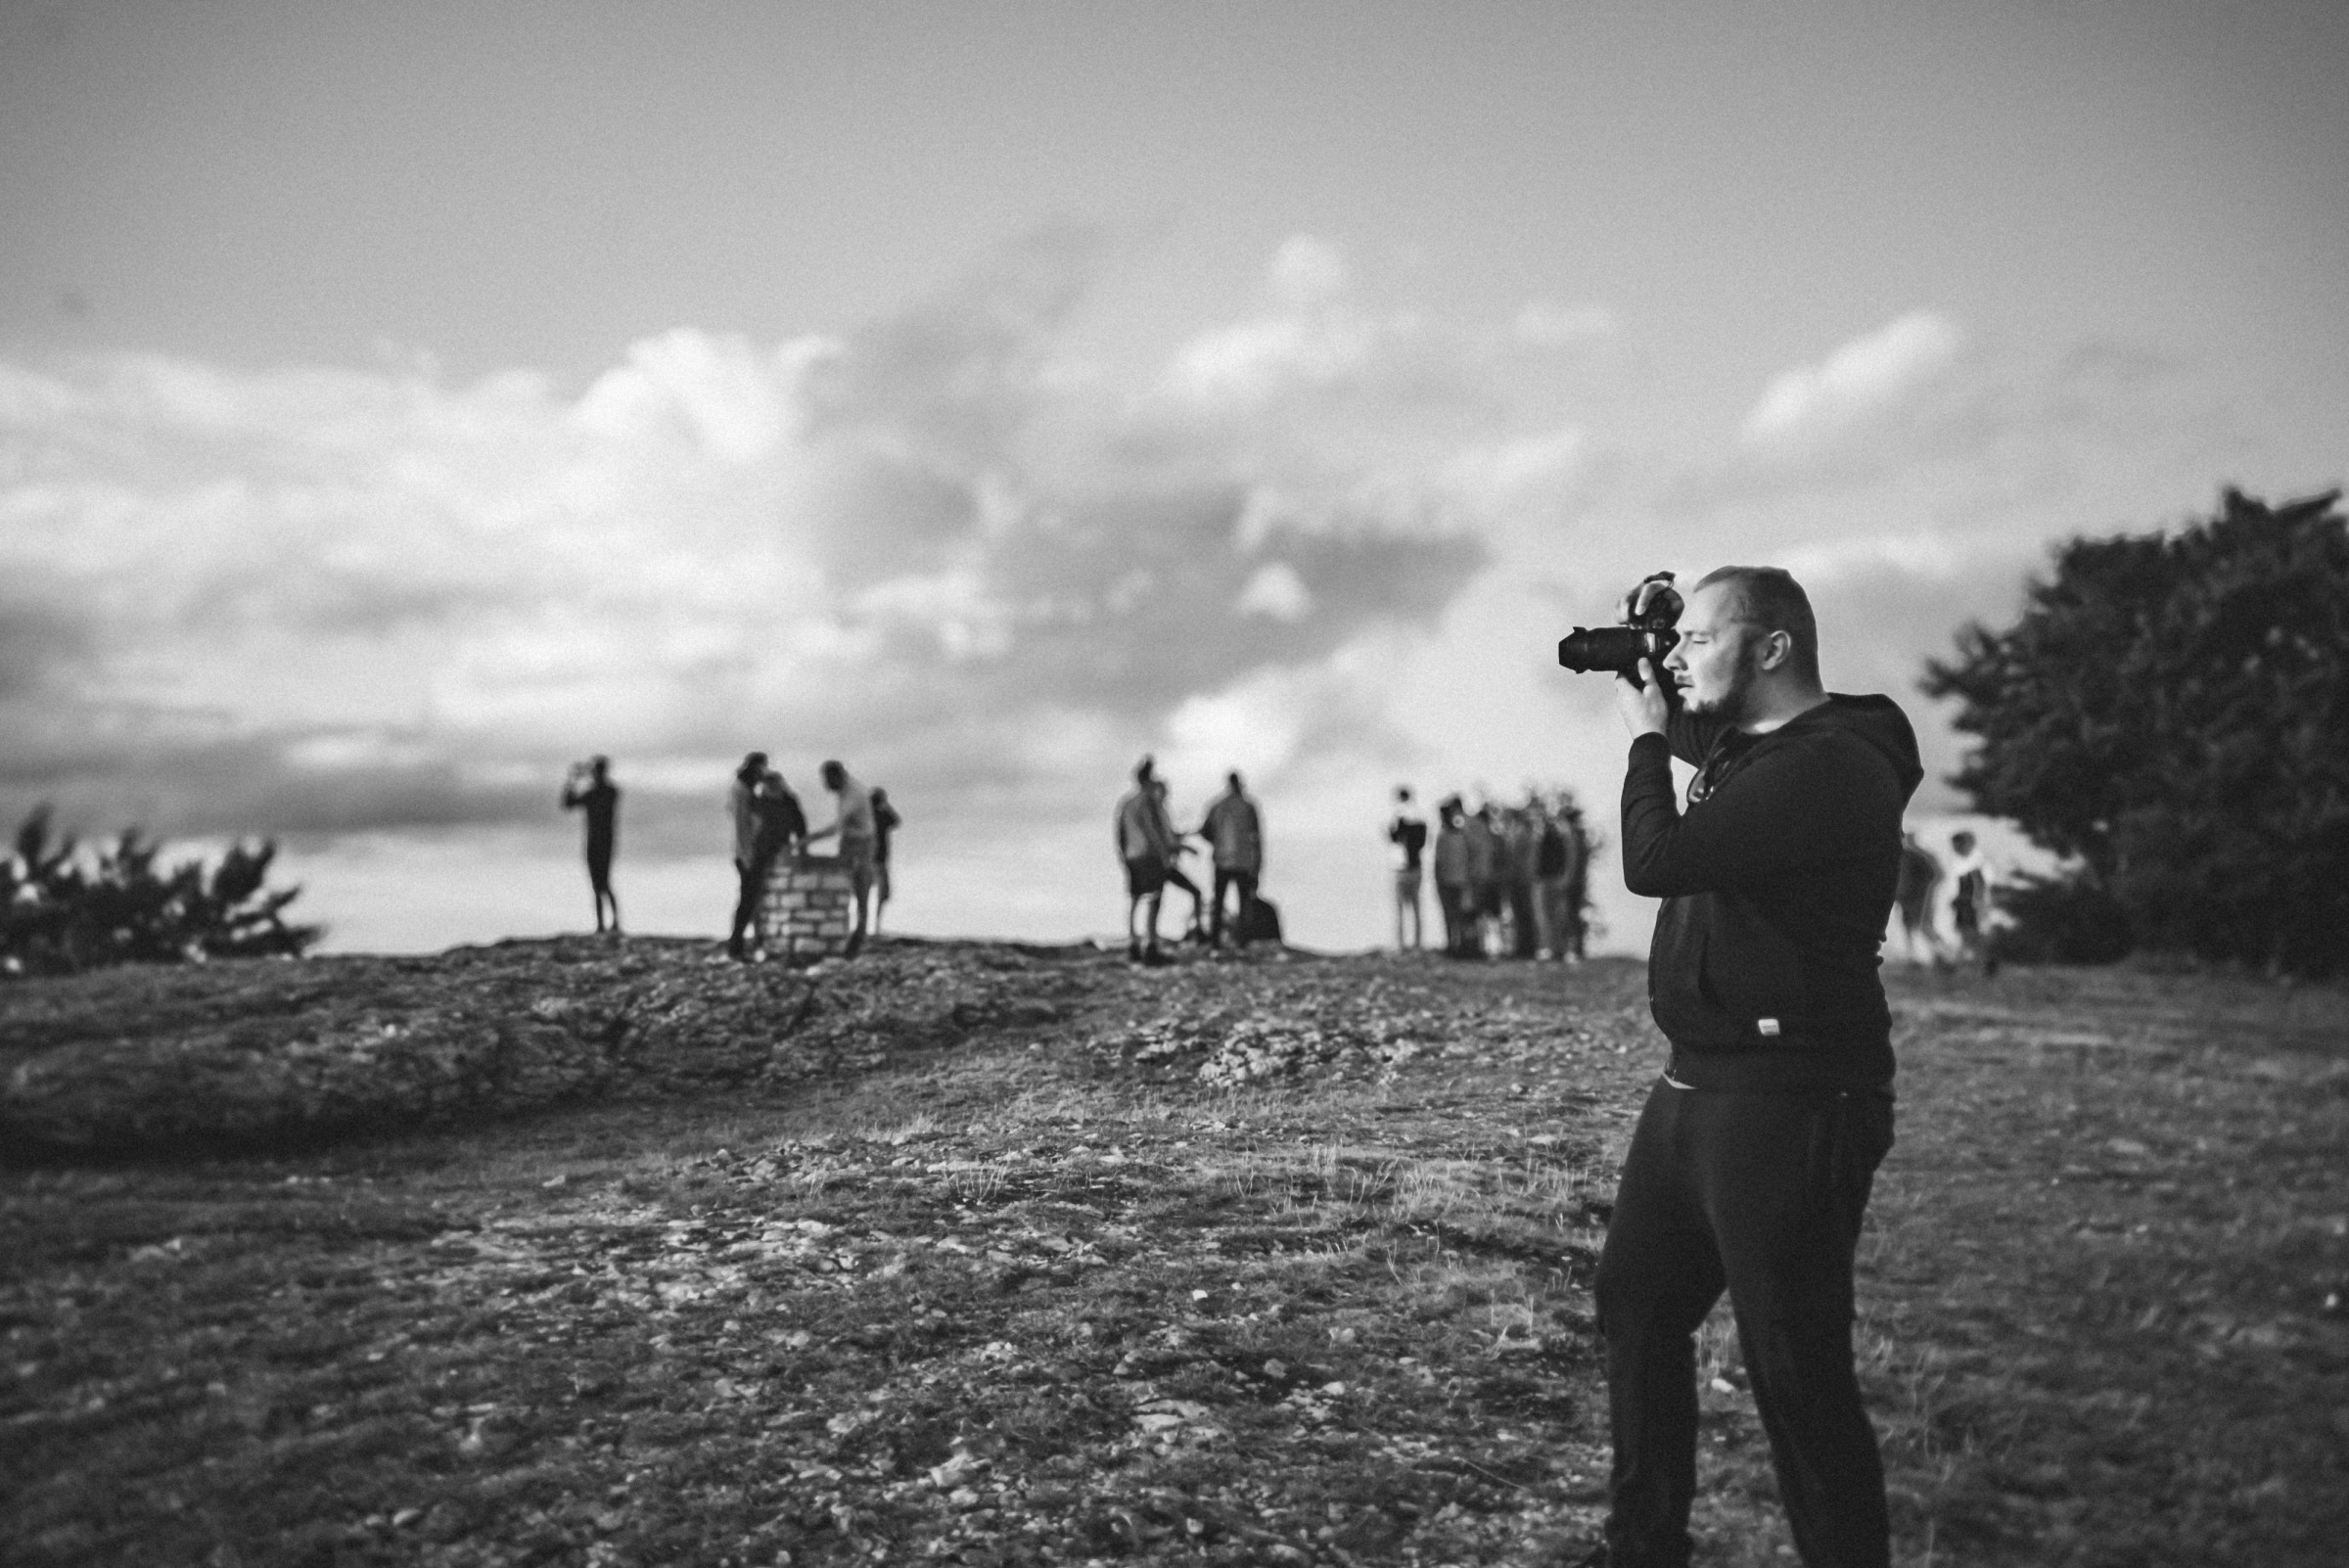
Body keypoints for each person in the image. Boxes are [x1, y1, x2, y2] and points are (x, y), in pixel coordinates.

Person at [1584, 565, 1920, 1568]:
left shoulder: (1830, 766)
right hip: (1696, 1086)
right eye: (1678, 643)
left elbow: (1659, 861)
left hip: (1796, 1098)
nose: (1680, 659)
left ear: (1773, 648)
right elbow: (1709, 733)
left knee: (1795, 1368)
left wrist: (1647, 735)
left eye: (1700, 640)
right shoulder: (1761, 746)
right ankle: (1644, 1551)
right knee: (1637, 1308)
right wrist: (1651, 675)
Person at [726, 753, 797, 960]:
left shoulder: (746, 790)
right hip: (747, 853)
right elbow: (741, 824)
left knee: (751, 899)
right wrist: (746, 854)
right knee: (747, 900)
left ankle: (743, 944)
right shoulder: (741, 790)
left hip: (750, 851)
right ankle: (736, 946)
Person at [806, 760, 878, 957]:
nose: (826, 785)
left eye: (827, 780)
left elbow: (837, 827)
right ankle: (839, 938)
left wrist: (809, 839)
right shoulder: (845, 791)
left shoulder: (854, 794)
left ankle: (855, 943)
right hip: (850, 842)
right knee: (841, 889)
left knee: (861, 891)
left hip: (862, 844)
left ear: (836, 776)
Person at [1113, 759, 1176, 964]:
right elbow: (1152, 829)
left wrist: (1123, 856)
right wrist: (1164, 855)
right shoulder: (1148, 801)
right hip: (1149, 855)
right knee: (1153, 898)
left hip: (1132, 855)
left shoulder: (1126, 803)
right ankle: (1150, 945)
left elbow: (1119, 833)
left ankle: (1133, 943)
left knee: (1135, 898)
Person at [1200, 770, 1264, 948]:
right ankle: (1242, 942)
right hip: (1243, 861)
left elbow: (1205, 832)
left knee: (1219, 902)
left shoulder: (1217, 805)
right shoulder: (1248, 806)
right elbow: (1257, 839)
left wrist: (1217, 842)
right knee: (1243, 904)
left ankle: (1215, 942)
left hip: (1222, 860)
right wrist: (1257, 867)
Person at [561, 756, 622, 936]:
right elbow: (568, 804)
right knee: (599, 885)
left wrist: (574, 779)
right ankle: (605, 924)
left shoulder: (605, 792)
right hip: (598, 842)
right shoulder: (604, 791)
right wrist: (574, 780)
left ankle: (608, 923)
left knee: (602, 884)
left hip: (600, 842)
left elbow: (568, 803)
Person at [1149, 776, 1209, 942]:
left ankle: (1196, 930)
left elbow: (1169, 837)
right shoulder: (1156, 813)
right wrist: (1185, 847)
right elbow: (1164, 841)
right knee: (1156, 899)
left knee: (1193, 893)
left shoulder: (1162, 813)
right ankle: (1152, 938)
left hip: (1166, 864)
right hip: (1161, 864)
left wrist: (1184, 836)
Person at [1943, 830, 1994, 974]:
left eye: (1958, 846)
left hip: (1974, 905)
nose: (1955, 849)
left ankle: (1979, 965)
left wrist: (1979, 904)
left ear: (1968, 845)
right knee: (1965, 934)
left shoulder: (1979, 862)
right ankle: (1962, 964)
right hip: (1964, 904)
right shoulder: (1959, 862)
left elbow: (1982, 887)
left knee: (1975, 935)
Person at [1535, 807, 1579, 962]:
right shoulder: (1544, 835)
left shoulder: (1563, 835)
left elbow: (1569, 859)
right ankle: (1551, 948)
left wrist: (1566, 877)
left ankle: (1564, 949)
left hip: (1556, 879)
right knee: (1546, 916)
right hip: (1546, 879)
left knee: (1561, 916)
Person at [1892, 830, 1942, 964]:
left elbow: (1934, 875)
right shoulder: (1899, 856)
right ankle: (1913, 956)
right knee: (1907, 926)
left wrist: (1922, 892)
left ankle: (1943, 954)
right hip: (1905, 899)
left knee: (1923, 926)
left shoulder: (1917, 857)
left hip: (1919, 898)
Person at [1388, 786, 1427, 951]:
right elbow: (1422, 841)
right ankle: (1417, 943)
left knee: (1400, 909)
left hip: (1402, 868)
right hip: (1415, 866)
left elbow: (1394, 837)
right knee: (1415, 907)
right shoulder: (1419, 816)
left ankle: (1401, 944)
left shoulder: (1400, 817)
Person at [1433, 796, 1471, 957]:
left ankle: (1453, 946)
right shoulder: (1460, 835)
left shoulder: (1443, 836)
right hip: (1461, 879)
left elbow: (1438, 862)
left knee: (1450, 915)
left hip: (1448, 881)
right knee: (1459, 915)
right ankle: (1461, 945)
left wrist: (1437, 879)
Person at [870, 788, 902, 936]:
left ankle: (870, 925)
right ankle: (875, 925)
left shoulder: (867, 818)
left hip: (869, 859)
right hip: (879, 860)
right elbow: (896, 821)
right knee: (881, 894)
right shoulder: (881, 816)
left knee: (868, 893)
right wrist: (886, 805)